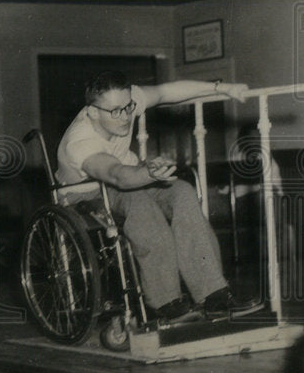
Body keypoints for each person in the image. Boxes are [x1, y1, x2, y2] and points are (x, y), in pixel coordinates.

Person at [56, 70, 263, 323]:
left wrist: (223, 88)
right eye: (116, 111)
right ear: (92, 112)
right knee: (139, 203)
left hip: (128, 177)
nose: (126, 116)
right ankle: (166, 302)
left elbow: (167, 92)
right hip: (85, 193)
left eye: (129, 107)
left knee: (182, 191)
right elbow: (117, 176)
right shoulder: (80, 141)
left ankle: (214, 294)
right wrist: (148, 173)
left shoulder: (123, 104)